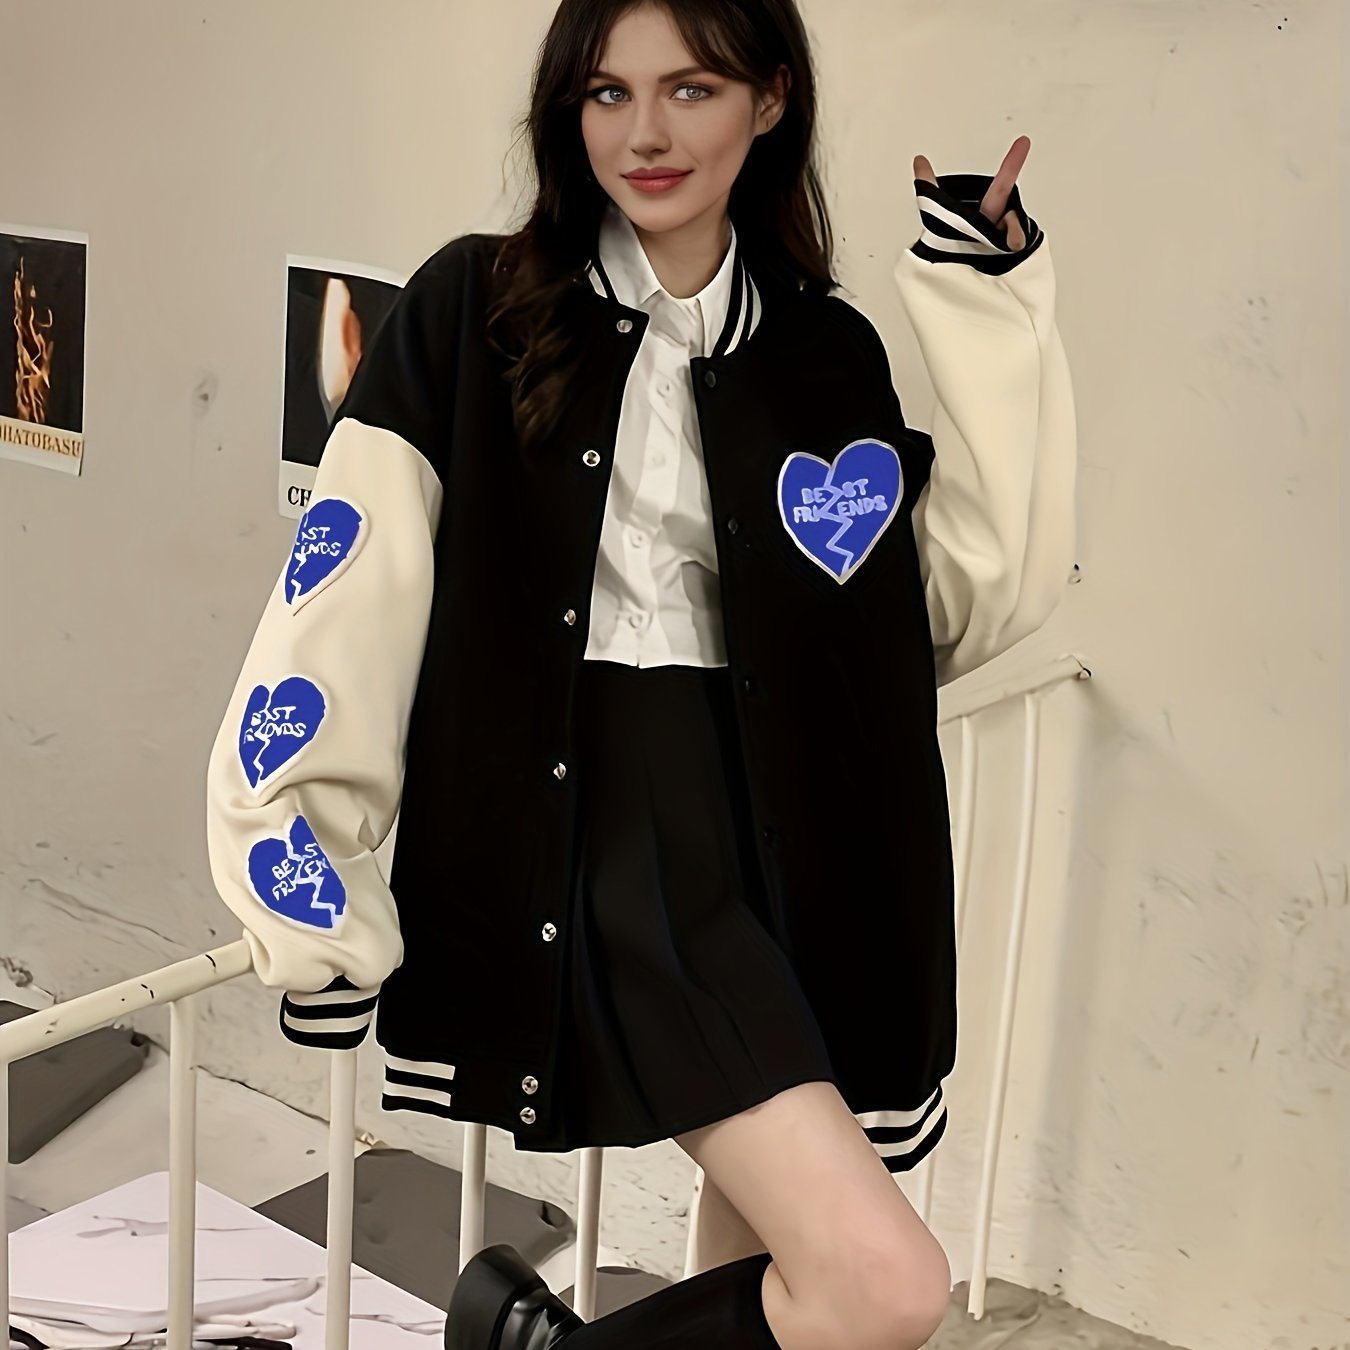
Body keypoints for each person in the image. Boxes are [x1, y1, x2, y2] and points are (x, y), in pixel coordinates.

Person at [204, 0, 1076, 1346]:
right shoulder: (475, 308)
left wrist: (982, 297)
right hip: (603, 822)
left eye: (691, 89)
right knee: (882, 1279)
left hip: (781, 828)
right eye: (608, 93)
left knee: (776, 1264)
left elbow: (933, 609)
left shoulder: (818, 349)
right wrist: (307, 858)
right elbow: (348, 584)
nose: (646, 134)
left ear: (769, 100)